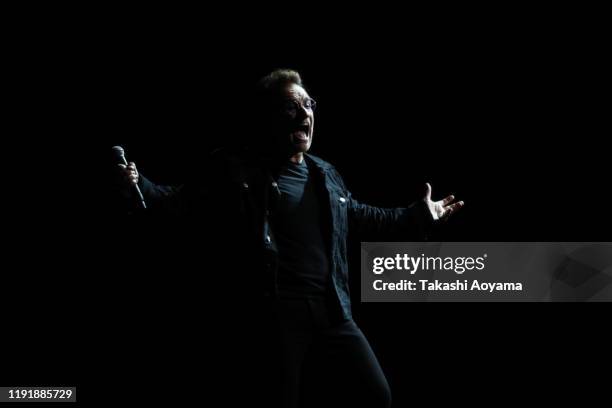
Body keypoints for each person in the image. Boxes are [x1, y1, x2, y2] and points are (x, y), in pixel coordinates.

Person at [116, 69, 463, 407]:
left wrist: (418, 215)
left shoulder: (324, 174)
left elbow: (363, 216)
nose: (304, 114)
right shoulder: (234, 169)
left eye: (309, 104)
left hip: (331, 308)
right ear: (267, 117)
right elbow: (179, 201)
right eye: (290, 107)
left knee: (376, 395)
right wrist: (139, 185)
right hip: (277, 314)